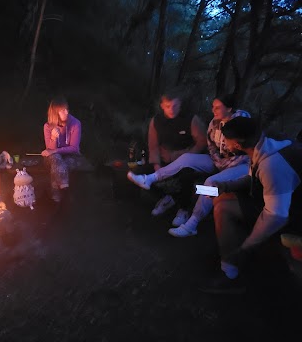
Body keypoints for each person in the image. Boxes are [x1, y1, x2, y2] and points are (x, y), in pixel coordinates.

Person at [200, 116, 302, 294]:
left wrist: (247, 246)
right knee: (220, 198)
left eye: (227, 141)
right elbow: (251, 178)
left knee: (223, 208)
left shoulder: (273, 165)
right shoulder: (262, 146)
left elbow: (276, 215)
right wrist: (226, 186)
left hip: (294, 215)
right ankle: (230, 246)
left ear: (238, 144)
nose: (225, 144)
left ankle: (231, 274)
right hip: (281, 202)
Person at [128, 95, 251, 237]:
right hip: (220, 161)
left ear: (229, 108)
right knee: (187, 158)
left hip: (241, 165)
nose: (213, 110)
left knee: (210, 183)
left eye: (217, 107)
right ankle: (150, 178)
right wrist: (218, 160)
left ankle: (192, 223)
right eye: (213, 106)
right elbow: (211, 147)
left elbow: (247, 147)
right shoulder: (214, 123)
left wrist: (223, 162)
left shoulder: (242, 119)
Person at [128, 89, 207, 223]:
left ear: (180, 105)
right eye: (168, 106)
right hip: (164, 160)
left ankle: (183, 209)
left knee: (186, 177)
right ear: (162, 106)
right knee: (138, 172)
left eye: (175, 106)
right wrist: (157, 164)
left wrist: (186, 156)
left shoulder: (190, 119)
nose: (172, 109)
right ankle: (169, 197)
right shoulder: (157, 121)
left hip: (185, 161)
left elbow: (202, 142)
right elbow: (153, 145)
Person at [41, 96, 84, 202]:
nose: (66, 112)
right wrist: (53, 138)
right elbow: (50, 150)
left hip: (72, 156)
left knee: (59, 164)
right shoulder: (48, 126)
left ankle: (56, 194)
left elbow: (74, 148)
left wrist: (55, 151)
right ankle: (65, 192)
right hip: (54, 158)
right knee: (56, 159)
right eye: (62, 110)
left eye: (66, 109)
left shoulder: (75, 123)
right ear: (55, 113)